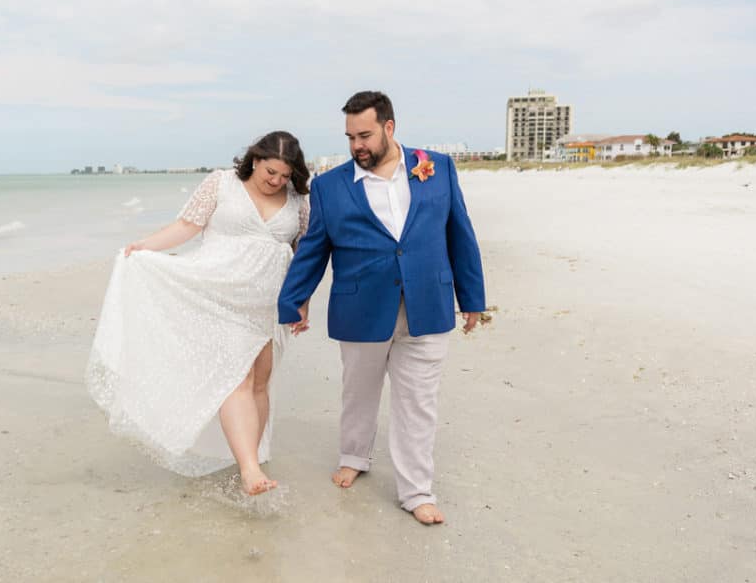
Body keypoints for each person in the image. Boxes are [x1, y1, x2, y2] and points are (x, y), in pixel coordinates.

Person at [277, 91, 486, 524]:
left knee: (418, 402)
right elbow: (315, 248)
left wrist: (472, 299)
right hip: (360, 309)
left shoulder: (438, 168)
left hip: (427, 305)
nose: (357, 145)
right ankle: (354, 456)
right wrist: (294, 299)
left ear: (389, 128)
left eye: (365, 135)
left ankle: (417, 492)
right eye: (351, 136)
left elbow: (459, 234)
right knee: (359, 393)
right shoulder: (330, 186)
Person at [86, 131, 311, 495]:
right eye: (271, 172)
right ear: (255, 160)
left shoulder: (298, 200)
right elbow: (187, 226)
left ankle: (253, 456)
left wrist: (302, 302)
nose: (276, 181)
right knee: (235, 377)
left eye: (284, 176)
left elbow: (303, 254)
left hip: (267, 304)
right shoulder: (221, 184)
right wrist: (144, 247)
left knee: (259, 382)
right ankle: (250, 471)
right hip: (217, 293)